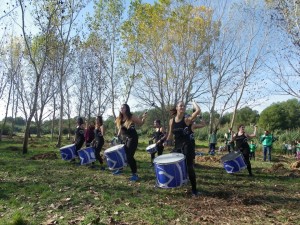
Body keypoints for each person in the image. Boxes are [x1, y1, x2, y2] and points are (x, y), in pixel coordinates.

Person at [164, 101, 201, 196]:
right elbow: (170, 134)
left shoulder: (186, 120)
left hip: (187, 145)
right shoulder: (171, 121)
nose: (183, 107)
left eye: (184, 106)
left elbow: (198, 110)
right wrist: (166, 141)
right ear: (176, 108)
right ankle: (177, 181)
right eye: (181, 106)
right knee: (173, 163)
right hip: (177, 146)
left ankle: (194, 190)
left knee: (189, 167)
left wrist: (193, 102)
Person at [115, 103, 147, 181]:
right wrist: (117, 137)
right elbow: (120, 129)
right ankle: (120, 169)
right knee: (123, 154)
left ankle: (135, 174)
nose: (121, 109)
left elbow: (141, 123)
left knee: (129, 156)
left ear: (127, 109)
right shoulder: (120, 118)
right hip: (126, 139)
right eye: (121, 108)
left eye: (123, 108)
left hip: (133, 138)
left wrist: (144, 118)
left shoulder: (131, 117)